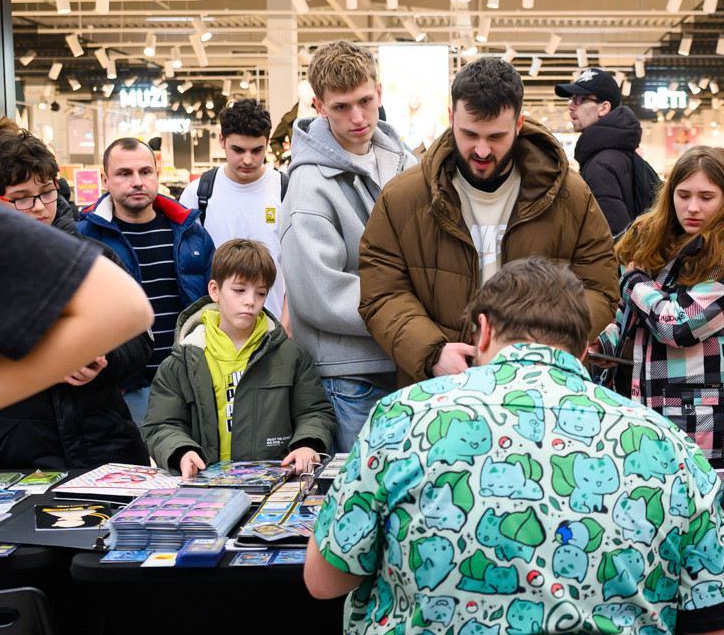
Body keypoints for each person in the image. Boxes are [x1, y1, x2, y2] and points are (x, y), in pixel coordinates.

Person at [305, 258, 724, 635]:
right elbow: (719, 630)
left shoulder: (403, 415)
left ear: (483, 331)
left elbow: (324, 581)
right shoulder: (665, 441)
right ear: (583, 348)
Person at [359, 56, 618, 387]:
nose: (481, 150)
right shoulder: (402, 198)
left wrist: (548, 348)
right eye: (469, 134)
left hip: (545, 386)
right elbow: (382, 292)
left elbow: (599, 287)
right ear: (451, 117)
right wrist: (431, 352)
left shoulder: (570, 196)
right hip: (439, 388)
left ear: (519, 124)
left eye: (496, 136)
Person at [0, 119, 151, 468]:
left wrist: (104, 362)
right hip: (4, 455)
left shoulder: (93, 256)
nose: (40, 206)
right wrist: (28, 338)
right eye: (21, 198)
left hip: (102, 447)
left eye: (46, 192)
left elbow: (139, 337)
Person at [279, 40, 417, 452]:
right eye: (341, 107)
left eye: (365, 101)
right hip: (351, 374)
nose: (357, 118)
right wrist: (410, 312)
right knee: (366, 485)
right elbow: (322, 294)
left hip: (408, 359)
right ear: (319, 106)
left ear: (379, 91)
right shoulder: (308, 187)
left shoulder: (406, 163)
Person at [593, 147, 724, 466]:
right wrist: (605, 343)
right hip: (637, 410)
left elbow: (679, 326)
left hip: (700, 430)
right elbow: (629, 314)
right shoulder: (652, 241)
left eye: (706, 197)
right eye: (683, 195)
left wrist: (634, 280)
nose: (692, 207)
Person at [143, 239, 336, 478]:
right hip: (205, 486)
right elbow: (161, 424)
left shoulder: (291, 355)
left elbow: (314, 412)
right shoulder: (181, 361)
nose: (250, 301)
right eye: (239, 290)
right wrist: (182, 451)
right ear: (215, 290)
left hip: (273, 484)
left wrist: (307, 444)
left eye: (261, 293)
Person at [78, 137, 215, 425]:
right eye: (124, 173)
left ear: (157, 174)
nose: (137, 182)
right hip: (124, 391)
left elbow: (215, 307)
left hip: (190, 384)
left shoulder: (190, 233)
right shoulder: (83, 238)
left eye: (145, 172)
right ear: (105, 180)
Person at [178, 99, 288, 320]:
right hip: (214, 327)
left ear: (267, 143)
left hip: (273, 326)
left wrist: (286, 325)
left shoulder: (286, 190)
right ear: (222, 140)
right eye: (238, 150)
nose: (247, 160)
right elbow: (186, 268)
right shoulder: (197, 194)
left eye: (257, 150)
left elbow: (299, 267)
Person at [555, 67, 644, 236]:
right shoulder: (618, 153)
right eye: (571, 99)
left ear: (603, 108)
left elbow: (610, 237)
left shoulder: (600, 165)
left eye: (580, 99)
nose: (571, 106)